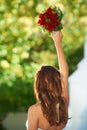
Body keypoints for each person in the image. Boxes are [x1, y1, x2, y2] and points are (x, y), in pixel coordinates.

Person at [26, 31, 69, 130]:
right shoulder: (64, 103)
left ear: (38, 85)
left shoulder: (34, 110)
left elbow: (64, 75)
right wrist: (58, 44)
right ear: (57, 82)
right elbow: (64, 74)